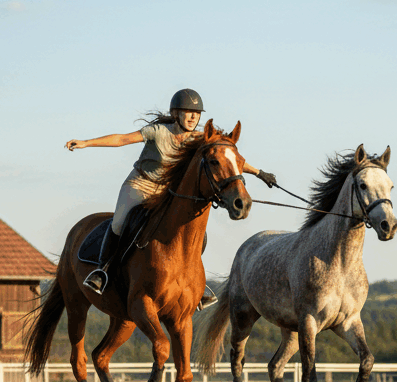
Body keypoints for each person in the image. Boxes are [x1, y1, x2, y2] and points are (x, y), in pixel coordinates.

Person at [64, 88, 276, 306]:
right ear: (176, 114)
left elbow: (227, 159)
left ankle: (194, 283)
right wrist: (86, 142)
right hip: (141, 185)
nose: (193, 117)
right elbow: (122, 139)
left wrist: (259, 173)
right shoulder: (158, 131)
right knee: (119, 223)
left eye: (197, 113)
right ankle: (102, 271)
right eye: (188, 112)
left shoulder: (199, 139)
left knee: (194, 233)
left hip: (168, 191)